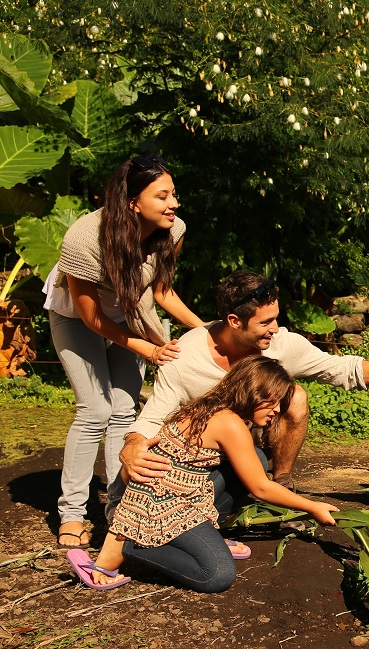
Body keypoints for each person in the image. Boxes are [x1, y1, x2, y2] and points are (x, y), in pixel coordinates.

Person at [115, 270, 369, 512]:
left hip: (245, 446)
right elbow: (153, 418)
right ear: (234, 320)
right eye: (265, 322)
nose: (275, 328)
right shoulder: (185, 357)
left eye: (276, 318)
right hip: (200, 455)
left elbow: (340, 368)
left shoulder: (279, 344)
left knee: (296, 397)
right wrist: (131, 446)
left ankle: (279, 484)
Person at [66, 356, 339, 591]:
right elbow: (260, 488)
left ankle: (191, 537)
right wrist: (312, 507)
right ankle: (131, 546)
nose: (277, 410)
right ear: (254, 392)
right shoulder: (229, 424)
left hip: (179, 490)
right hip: (162, 505)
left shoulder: (217, 408)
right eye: (273, 402)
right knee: (217, 574)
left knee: (253, 458)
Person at [45, 154, 205, 548]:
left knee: (124, 411)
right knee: (95, 409)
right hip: (78, 316)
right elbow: (91, 316)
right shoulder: (85, 238)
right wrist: (148, 349)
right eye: (162, 195)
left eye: (174, 194)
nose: (174, 204)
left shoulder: (173, 230)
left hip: (133, 311)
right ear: (133, 202)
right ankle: (73, 512)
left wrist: (207, 331)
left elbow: (162, 291)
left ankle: (120, 507)